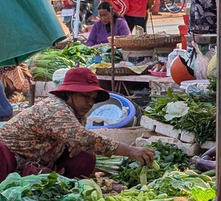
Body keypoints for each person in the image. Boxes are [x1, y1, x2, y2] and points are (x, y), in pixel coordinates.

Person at [0, 68, 154, 181]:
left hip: (35, 160)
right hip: (10, 159)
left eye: (93, 98)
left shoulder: (78, 114)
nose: (89, 103)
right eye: (85, 97)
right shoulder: (55, 109)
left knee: (85, 156)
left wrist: (72, 145)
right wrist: (131, 151)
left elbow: (82, 142)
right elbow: (84, 138)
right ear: (69, 94)